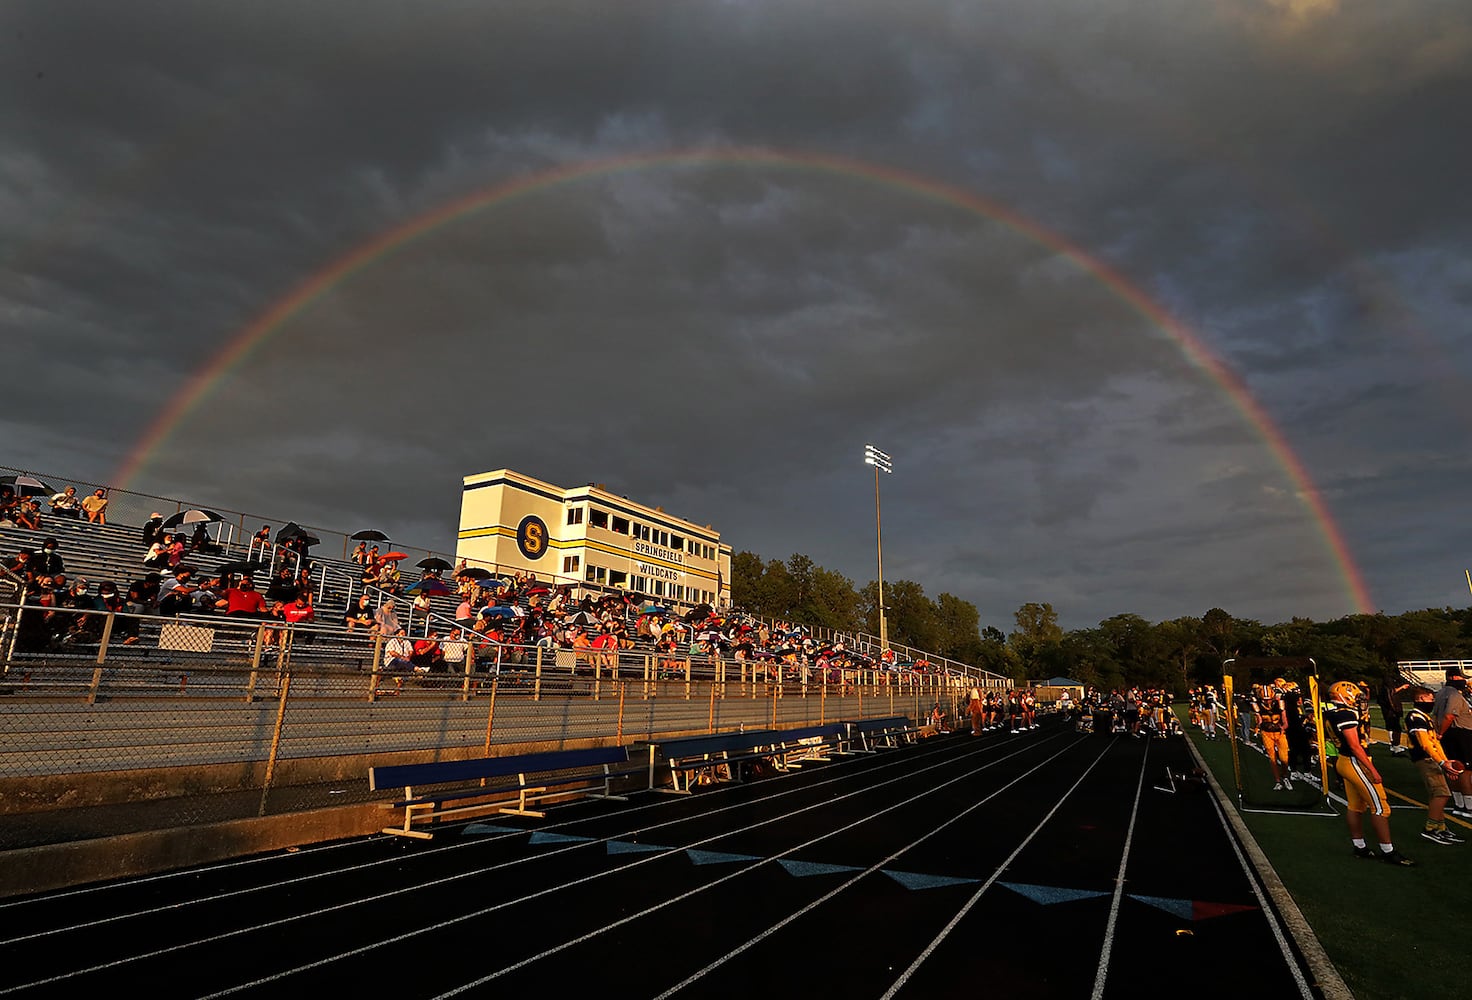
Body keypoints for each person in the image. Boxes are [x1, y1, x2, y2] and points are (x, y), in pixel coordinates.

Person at [1325, 679, 1414, 866]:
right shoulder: (1345, 715)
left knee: (1356, 806)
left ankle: (1359, 846)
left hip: (1345, 760)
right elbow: (1355, 746)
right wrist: (1372, 769)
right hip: (1355, 762)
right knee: (1381, 806)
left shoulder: (1334, 713)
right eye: (1355, 696)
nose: (1359, 699)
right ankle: (1388, 851)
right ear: (1344, 695)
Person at [1404, 687, 1465, 845]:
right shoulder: (1415, 717)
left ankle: (1440, 827)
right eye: (1431, 699)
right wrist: (1441, 762)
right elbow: (1425, 744)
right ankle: (1431, 828)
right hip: (1425, 759)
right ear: (1421, 699)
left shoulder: (1424, 717)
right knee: (1441, 793)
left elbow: (1435, 742)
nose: (1433, 702)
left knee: (1439, 793)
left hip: (1432, 758)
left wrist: (1446, 762)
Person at [1433, 668, 1472, 820]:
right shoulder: (1454, 694)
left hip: (1450, 734)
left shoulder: (1441, 693)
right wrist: (1441, 732)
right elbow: (1450, 715)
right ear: (1453, 677)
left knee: (1453, 770)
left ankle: (1459, 804)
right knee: (1465, 771)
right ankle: (1469, 807)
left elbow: (1436, 715)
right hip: (1460, 734)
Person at [1257, 686, 1292, 791]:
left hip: (1279, 733)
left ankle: (1285, 776)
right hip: (1267, 734)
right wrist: (1262, 726)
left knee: (1284, 758)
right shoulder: (1258, 706)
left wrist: (1281, 727)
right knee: (1272, 759)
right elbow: (1259, 722)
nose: (1267, 701)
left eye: (1269, 699)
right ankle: (1278, 781)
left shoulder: (1279, 704)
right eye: (1264, 699)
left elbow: (1285, 722)